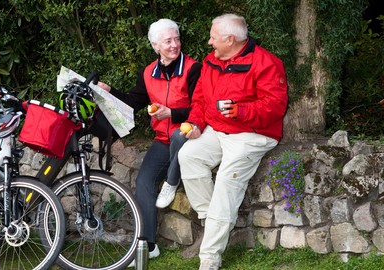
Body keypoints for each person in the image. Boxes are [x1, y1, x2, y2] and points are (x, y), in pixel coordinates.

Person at [178, 14, 288, 270]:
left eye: (213, 37)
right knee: (189, 156)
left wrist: (241, 111)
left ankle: (209, 258)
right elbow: (201, 99)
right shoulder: (211, 61)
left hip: (253, 134)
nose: (209, 42)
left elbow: (275, 107)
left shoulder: (267, 63)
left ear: (230, 39)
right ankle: (212, 223)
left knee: (226, 185)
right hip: (218, 130)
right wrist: (195, 124)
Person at [97, 18, 202, 267]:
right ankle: (148, 245)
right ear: (155, 45)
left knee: (179, 136)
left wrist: (173, 114)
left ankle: (172, 181)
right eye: (168, 41)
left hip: (190, 136)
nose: (175, 45)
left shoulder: (193, 68)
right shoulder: (148, 72)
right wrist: (110, 92)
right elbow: (133, 102)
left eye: (177, 39)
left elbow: (201, 107)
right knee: (143, 181)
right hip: (163, 140)